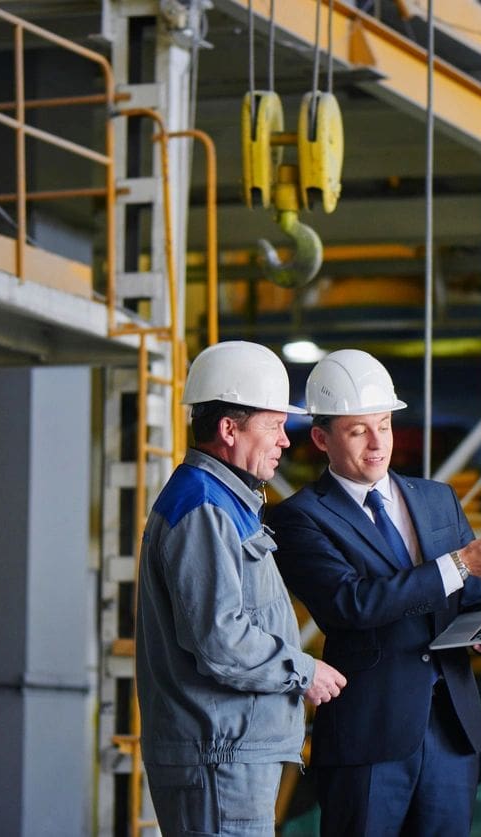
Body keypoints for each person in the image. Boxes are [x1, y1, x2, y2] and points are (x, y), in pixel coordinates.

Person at [267, 349, 481, 836]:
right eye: (358, 431)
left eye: (385, 426)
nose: (378, 444)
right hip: (369, 738)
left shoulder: (438, 500)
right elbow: (353, 603)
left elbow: (473, 601)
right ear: (320, 438)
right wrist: (458, 563)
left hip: (451, 736)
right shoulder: (299, 517)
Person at [135, 340, 347, 837]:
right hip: (219, 758)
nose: (284, 441)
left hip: (226, 755)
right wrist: (303, 670)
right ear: (229, 429)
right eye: (274, 426)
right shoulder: (204, 509)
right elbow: (221, 641)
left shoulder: (225, 503)